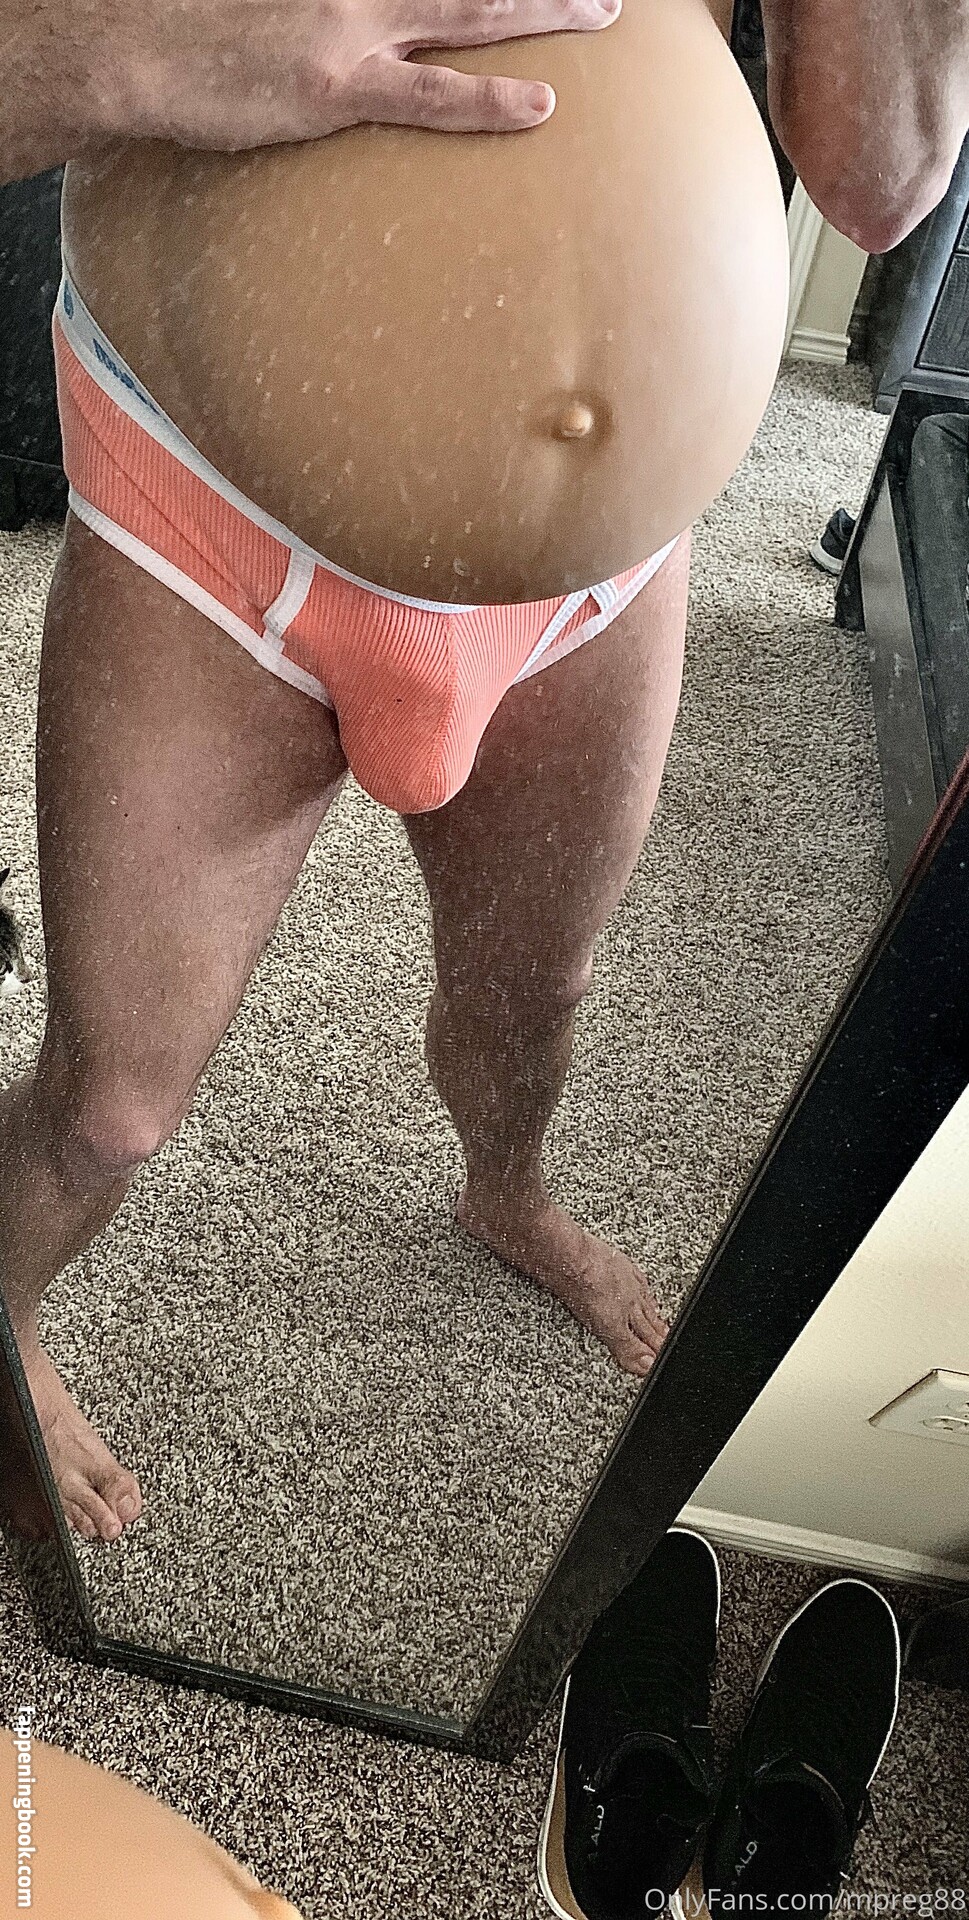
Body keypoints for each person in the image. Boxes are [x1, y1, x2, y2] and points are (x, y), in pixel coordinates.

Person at [0, 0, 966, 1550]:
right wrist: (147, 49)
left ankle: (504, 1188)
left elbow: (880, 180)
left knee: (535, 993)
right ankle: (7, 1317)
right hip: (209, 530)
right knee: (107, 1107)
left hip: (594, 574)